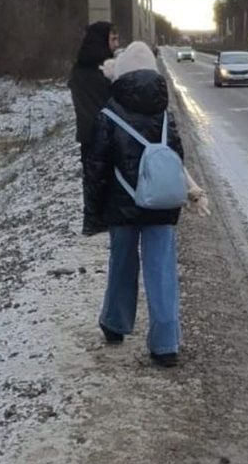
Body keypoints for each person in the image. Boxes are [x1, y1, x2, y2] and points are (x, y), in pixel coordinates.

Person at [82, 40, 188, 367]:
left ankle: (115, 324)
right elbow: (176, 160)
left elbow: (96, 168)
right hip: (161, 205)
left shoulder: (108, 114)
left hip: (121, 206)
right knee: (162, 272)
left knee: (122, 266)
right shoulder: (165, 113)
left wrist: (94, 213)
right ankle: (166, 344)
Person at [68, 21, 119, 165]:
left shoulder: (79, 69)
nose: (116, 44)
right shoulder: (100, 73)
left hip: (89, 139)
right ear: (101, 40)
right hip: (105, 140)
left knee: (92, 183)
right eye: (113, 39)